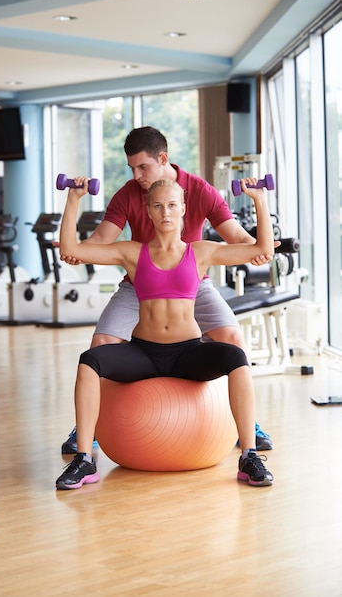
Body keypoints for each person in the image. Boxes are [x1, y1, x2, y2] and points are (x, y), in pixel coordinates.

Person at [60, 126, 273, 454]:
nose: (137, 175)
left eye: (142, 167)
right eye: (131, 168)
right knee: (101, 343)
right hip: (139, 282)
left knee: (232, 339)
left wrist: (257, 246)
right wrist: (72, 246)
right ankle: (92, 426)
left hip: (191, 280)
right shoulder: (129, 193)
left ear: (163, 159)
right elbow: (101, 241)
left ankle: (247, 425)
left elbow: (239, 239)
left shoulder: (199, 191)